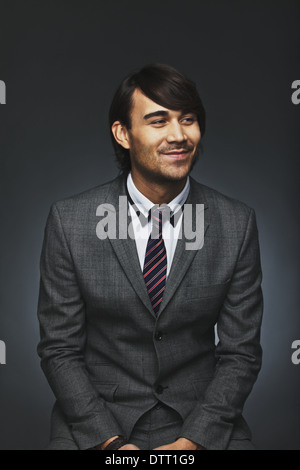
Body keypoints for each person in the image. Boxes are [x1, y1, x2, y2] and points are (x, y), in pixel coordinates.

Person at [37, 63, 263, 450]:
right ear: (123, 134)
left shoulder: (235, 223)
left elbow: (241, 353)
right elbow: (59, 349)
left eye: (188, 120)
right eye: (158, 121)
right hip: (98, 420)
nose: (178, 135)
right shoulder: (70, 221)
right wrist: (110, 443)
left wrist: (191, 442)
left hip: (201, 421)